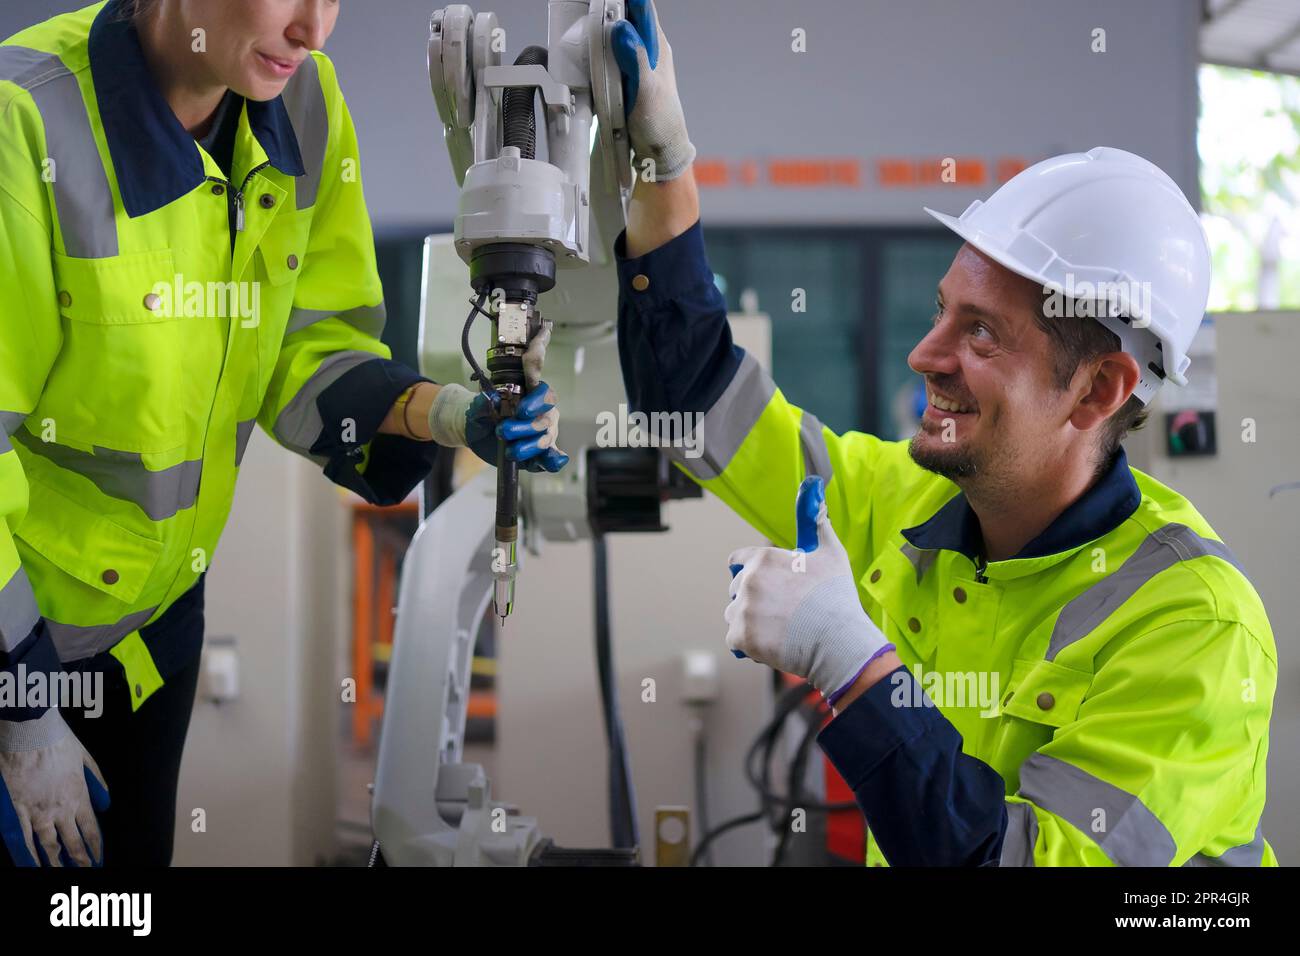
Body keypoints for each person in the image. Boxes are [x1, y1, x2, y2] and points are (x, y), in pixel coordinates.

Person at [609, 0, 1277, 866]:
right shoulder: (898, 501)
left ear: (1098, 390)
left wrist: (852, 662)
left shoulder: (1196, 626)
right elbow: (698, 403)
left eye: (983, 333)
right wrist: (667, 164)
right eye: (940, 312)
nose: (925, 355)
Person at [0, 0, 566, 867]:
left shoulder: (302, 100)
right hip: (19, 636)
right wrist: (25, 708)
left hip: (153, 632)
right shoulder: (26, 121)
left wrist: (448, 413)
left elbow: (309, 348)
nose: (315, 28)